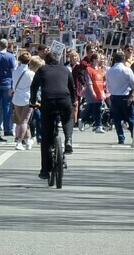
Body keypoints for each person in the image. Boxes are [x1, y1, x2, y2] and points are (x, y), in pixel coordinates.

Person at [30, 46, 77, 180]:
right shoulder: (65, 69)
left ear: (46, 61)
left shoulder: (42, 69)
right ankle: (68, 140)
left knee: (46, 137)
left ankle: (45, 170)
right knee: (67, 119)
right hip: (64, 100)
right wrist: (73, 101)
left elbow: (34, 87)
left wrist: (33, 102)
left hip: (48, 102)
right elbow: (71, 87)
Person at [104, 51, 134, 145]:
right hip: (125, 95)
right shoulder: (127, 69)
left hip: (114, 96)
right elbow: (133, 82)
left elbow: (108, 84)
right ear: (123, 59)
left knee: (117, 119)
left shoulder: (109, 70)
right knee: (130, 117)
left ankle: (121, 137)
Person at [13, 54, 43, 150]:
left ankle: (28, 140)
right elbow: (34, 87)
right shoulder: (31, 73)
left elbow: (13, 84)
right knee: (24, 121)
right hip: (27, 98)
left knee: (22, 121)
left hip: (17, 98)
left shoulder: (15, 71)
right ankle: (19, 142)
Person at [79, 53, 106, 133]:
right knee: (93, 107)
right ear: (94, 60)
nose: (100, 60)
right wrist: (92, 91)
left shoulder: (100, 69)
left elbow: (102, 80)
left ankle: (94, 124)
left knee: (96, 107)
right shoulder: (89, 69)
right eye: (98, 58)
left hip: (99, 90)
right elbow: (89, 81)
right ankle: (97, 124)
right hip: (92, 90)